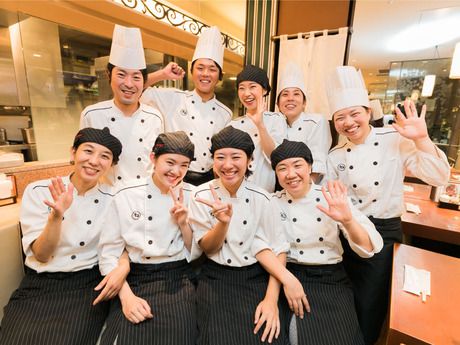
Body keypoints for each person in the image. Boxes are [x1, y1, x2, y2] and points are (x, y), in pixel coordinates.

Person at [326, 66, 450, 344]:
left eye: (354, 113)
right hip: (348, 233)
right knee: (345, 299)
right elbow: (334, 199)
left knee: (371, 305)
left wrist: (422, 138)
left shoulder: (395, 138)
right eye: (340, 117)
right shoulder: (335, 156)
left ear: (368, 112)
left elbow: (439, 177)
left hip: (383, 233)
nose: (349, 122)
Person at [0, 128, 127, 345]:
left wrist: (122, 268)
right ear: (73, 153)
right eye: (88, 151)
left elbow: (122, 243)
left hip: (85, 285)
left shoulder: (114, 198)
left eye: (104, 156)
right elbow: (41, 254)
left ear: (111, 165)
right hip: (40, 284)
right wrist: (56, 216)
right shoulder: (39, 190)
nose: (94, 161)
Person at [188, 126, 308, 345]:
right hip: (216, 279)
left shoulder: (263, 198)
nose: (228, 165)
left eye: (236, 157)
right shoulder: (200, 194)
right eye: (220, 157)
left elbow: (278, 249)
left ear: (250, 160)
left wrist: (271, 300)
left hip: (257, 278)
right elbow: (208, 248)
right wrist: (222, 224)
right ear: (213, 162)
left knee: (267, 336)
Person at [270, 139, 383, 345]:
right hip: (287, 274)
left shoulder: (332, 197)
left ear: (310, 166)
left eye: (298, 165)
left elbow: (367, 248)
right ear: (276, 174)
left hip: (329, 278)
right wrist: (286, 279)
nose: (291, 174)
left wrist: (347, 221)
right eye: (282, 168)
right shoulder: (272, 202)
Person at [98, 131, 196, 344]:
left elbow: (197, 251)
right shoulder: (126, 194)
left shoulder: (193, 195)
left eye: (184, 165)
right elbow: (109, 253)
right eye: (170, 162)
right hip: (135, 277)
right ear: (153, 158)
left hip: (178, 278)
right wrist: (126, 297)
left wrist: (183, 223)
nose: (176, 171)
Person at [141, 26, 232, 186]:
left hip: (209, 180)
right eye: (200, 68)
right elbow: (137, 88)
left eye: (212, 69)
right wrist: (162, 74)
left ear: (219, 76)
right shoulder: (173, 98)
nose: (205, 74)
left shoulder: (225, 113)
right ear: (192, 71)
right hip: (174, 177)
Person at [80, 24, 164, 185]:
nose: (129, 83)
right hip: (107, 199)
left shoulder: (155, 117)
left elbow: (159, 160)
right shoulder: (91, 115)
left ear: (144, 81)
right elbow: (83, 162)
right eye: (121, 74)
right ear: (108, 75)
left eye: (136, 77)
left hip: (145, 197)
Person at [231, 65, 287, 192]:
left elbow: (275, 157)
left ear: (264, 90)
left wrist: (260, 124)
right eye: (241, 88)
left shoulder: (276, 119)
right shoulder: (233, 124)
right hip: (237, 190)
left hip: (265, 191)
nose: (246, 93)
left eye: (252, 87)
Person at [276, 62, 331, 183]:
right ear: (278, 104)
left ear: (304, 103)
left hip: (309, 187)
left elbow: (318, 161)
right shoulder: (275, 125)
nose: (290, 98)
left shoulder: (316, 122)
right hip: (284, 185)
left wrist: (304, 192)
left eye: (296, 94)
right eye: (285, 94)